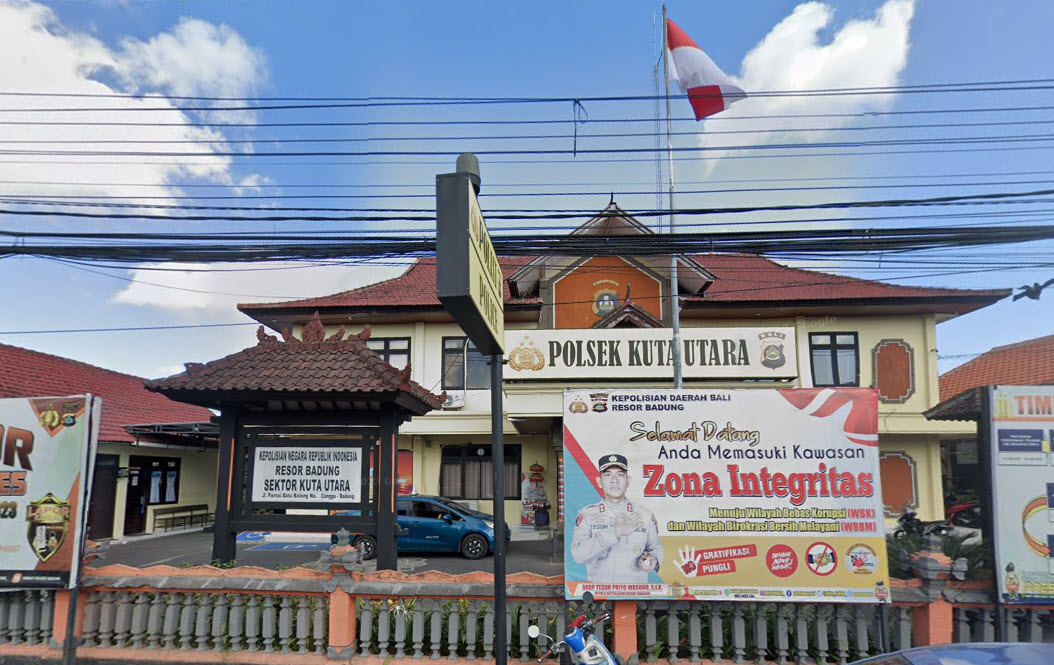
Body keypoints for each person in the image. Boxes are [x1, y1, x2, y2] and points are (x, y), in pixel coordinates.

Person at [570, 454, 663, 583]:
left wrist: (654, 559)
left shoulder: (645, 515)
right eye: (608, 475)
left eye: (620, 475)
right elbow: (578, 555)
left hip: (636, 593)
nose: (614, 480)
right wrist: (615, 533)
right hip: (600, 594)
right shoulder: (587, 515)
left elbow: (655, 548)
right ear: (599, 481)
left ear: (628, 481)